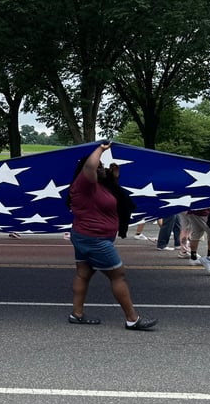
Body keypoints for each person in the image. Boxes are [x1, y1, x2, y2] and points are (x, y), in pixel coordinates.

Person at [66, 142, 157, 331]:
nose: (101, 169)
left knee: (83, 274)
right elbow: (90, 166)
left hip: (86, 236)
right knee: (118, 275)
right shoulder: (84, 184)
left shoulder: (98, 186)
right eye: (100, 167)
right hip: (95, 239)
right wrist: (101, 149)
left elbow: (110, 199)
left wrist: (113, 179)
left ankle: (77, 314)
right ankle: (132, 319)